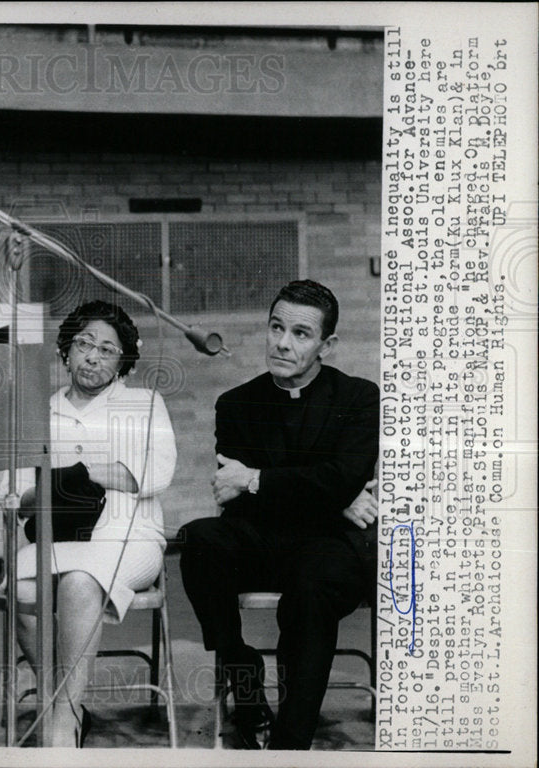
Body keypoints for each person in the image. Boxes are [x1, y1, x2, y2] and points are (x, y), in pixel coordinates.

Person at [178, 279, 378, 750]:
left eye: (300, 334)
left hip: (328, 550)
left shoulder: (358, 398)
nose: (283, 343)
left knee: (311, 588)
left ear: (327, 344)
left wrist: (257, 478)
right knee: (198, 539)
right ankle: (240, 666)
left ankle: (290, 747)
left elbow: (342, 476)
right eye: (276, 327)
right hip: (262, 538)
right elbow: (237, 497)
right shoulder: (236, 404)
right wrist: (333, 494)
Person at [11, 300, 177, 747]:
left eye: (107, 349)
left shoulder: (144, 403)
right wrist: (95, 473)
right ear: (66, 350)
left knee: (79, 583)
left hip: (130, 535)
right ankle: (63, 702)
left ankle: (61, 724)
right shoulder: (38, 411)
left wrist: (71, 475)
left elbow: (155, 474)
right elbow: (13, 496)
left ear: (122, 361)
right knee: (20, 592)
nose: (93, 356)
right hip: (56, 535)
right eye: (84, 343)